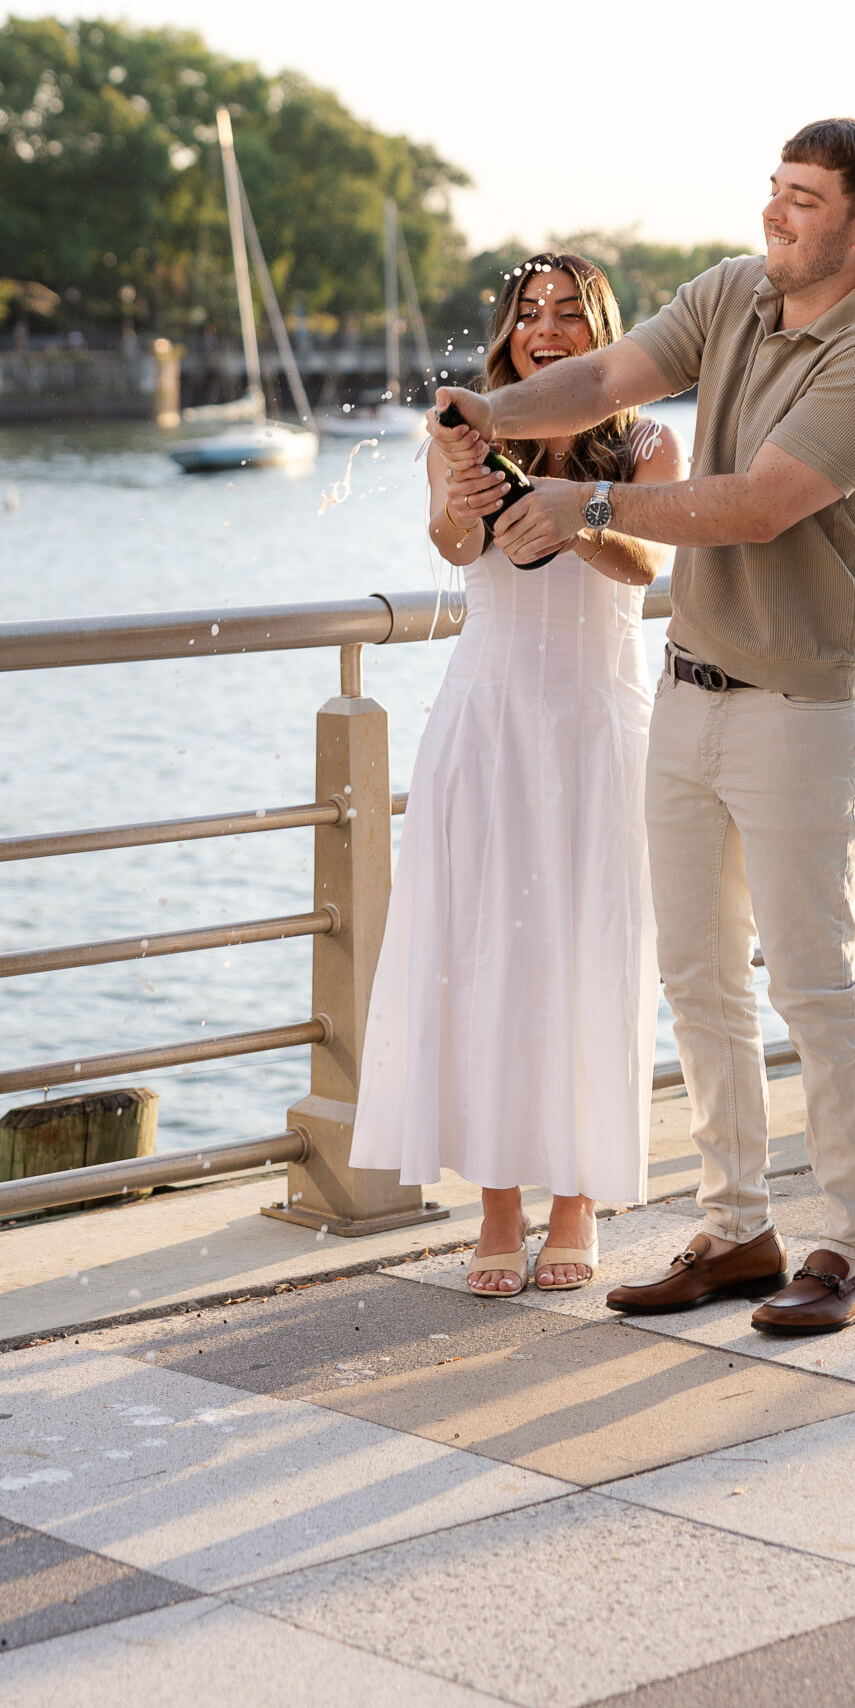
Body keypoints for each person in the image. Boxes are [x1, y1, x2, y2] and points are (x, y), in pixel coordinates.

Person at [432, 119, 855, 1332]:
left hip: (801, 706)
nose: (777, 214)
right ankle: (737, 1228)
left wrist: (584, 496)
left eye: (805, 200)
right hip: (687, 691)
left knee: (812, 981)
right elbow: (606, 379)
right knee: (698, 976)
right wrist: (487, 416)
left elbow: (761, 505)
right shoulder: (732, 295)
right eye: (775, 189)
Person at [350, 253, 684, 1294]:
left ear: (601, 334)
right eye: (527, 311)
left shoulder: (649, 441)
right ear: (507, 333)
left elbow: (647, 567)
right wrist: (472, 485)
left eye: (568, 314)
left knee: (590, 948)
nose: (546, 327)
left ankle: (577, 1200)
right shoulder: (463, 433)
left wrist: (573, 509)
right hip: (488, 718)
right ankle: (496, 1203)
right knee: (485, 950)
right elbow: (454, 545)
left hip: (596, 720)